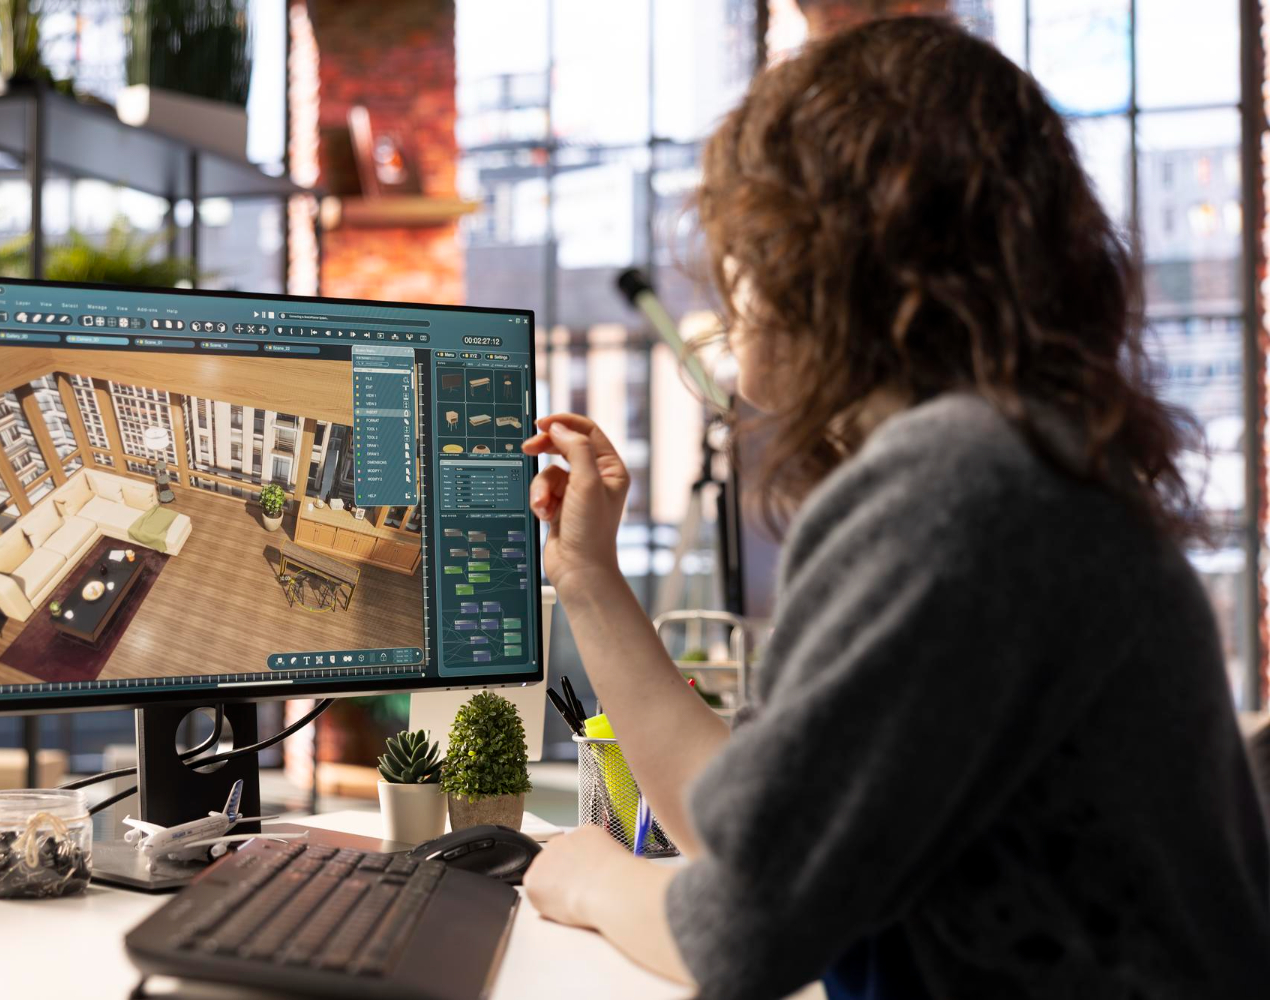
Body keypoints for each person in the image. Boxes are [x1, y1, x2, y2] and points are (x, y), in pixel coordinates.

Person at [520, 16, 1270, 1000]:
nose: (731, 275)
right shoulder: (1016, 461)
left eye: (752, 233)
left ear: (835, 251)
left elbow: (742, 929)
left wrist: (590, 877)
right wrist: (587, 579)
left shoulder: (960, 490)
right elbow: (756, 825)